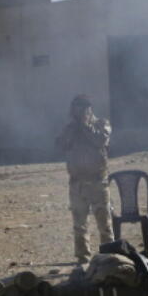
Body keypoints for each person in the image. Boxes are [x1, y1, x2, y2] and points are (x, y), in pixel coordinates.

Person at [54, 94, 114, 264]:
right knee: (79, 225)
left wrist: (85, 125)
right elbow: (59, 144)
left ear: (89, 109)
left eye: (82, 108)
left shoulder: (102, 124)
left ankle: (108, 257)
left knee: (104, 224)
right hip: (77, 183)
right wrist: (73, 129)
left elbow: (100, 140)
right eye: (76, 109)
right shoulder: (71, 128)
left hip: (97, 182)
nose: (79, 112)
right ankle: (82, 258)